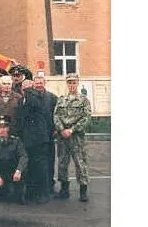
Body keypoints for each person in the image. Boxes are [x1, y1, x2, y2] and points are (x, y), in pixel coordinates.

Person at [53, 73, 92, 202]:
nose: (72, 85)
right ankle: (64, 190)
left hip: (77, 137)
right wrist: (62, 129)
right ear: (67, 83)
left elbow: (86, 118)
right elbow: (56, 116)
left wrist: (72, 129)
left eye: (74, 82)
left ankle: (83, 191)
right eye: (69, 82)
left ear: (78, 83)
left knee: (80, 164)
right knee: (63, 164)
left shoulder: (83, 100)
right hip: (63, 137)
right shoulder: (61, 99)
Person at [14, 78, 51, 204]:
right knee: (29, 167)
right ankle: (31, 192)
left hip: (38, 140)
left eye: (28, 88)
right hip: (26, 139)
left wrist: (30, 91)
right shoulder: (21, 101)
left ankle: (43, 193)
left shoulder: (36, 98)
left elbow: (32, 108)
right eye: (23, 88)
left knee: (40, 167)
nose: (25, 90)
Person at [0, 115, 29, 204]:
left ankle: (18, 192)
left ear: (8, 128)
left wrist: (19, 170)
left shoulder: (16, 141)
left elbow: (23, 156)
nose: (2, 130)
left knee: (17, 199)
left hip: (13, 172)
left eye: (4, 127)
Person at [32, 75, 58, 195]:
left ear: (45, 83)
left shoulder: (52, 98)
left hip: (49, 135)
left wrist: (56, 129)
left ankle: (50, 185)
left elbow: (57, 115)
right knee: (37, 162)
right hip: (35, 137)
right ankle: (39, 186)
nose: (38, 85)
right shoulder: (30, 97)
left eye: (40, 83)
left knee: (50, 160)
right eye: (36, 83)